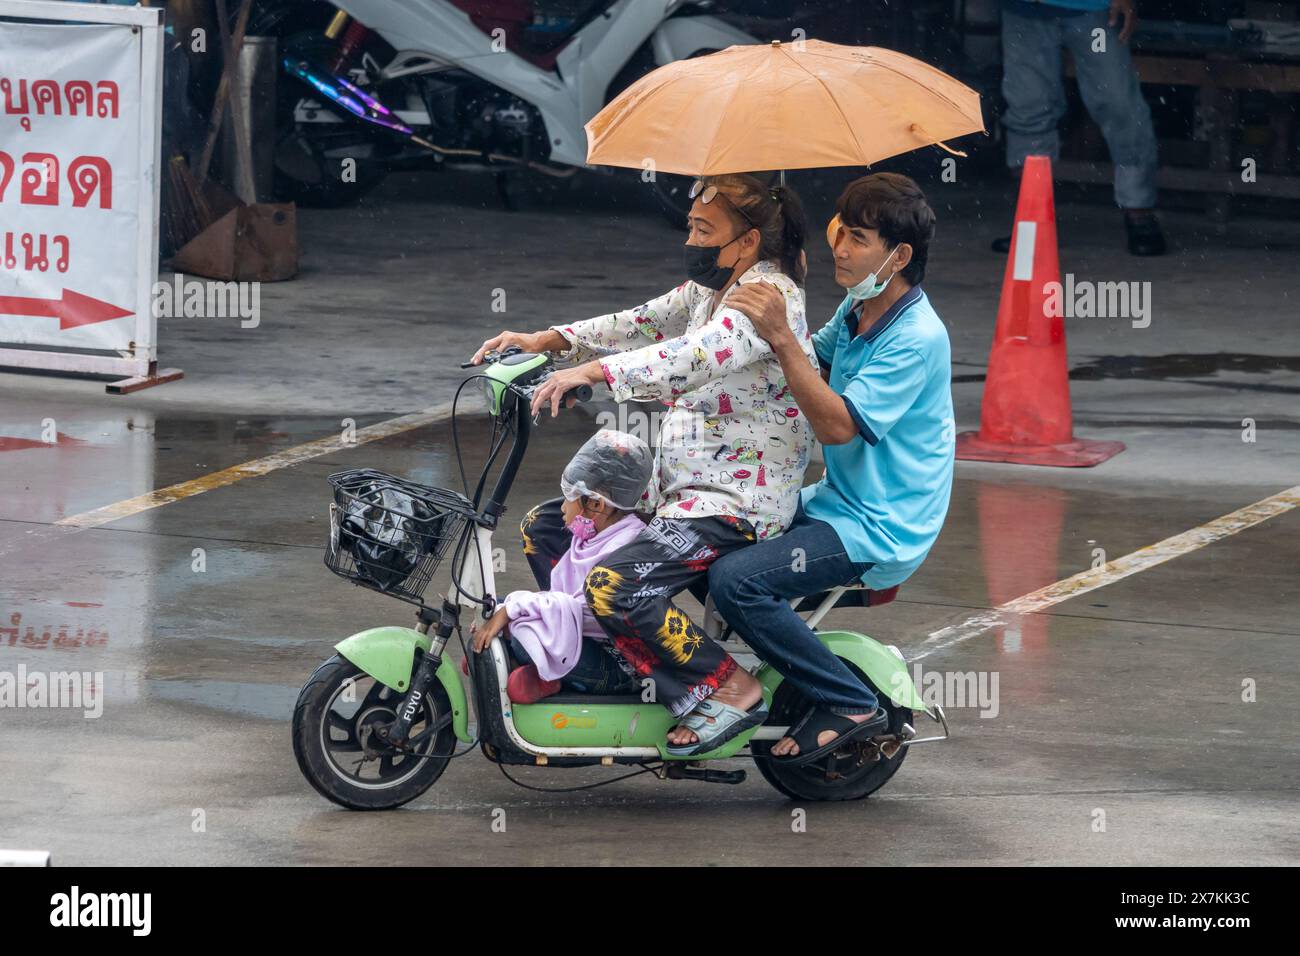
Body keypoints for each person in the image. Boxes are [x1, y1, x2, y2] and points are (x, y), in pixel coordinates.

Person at [471, 173, 817, 755]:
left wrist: (594, 373)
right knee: (548, 528)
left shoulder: (766, 298)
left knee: (613, 583)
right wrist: (548, 341)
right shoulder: (711, 291)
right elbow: (642, 321)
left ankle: (729, 687)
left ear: (748, 242)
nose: (693, 240)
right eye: (691, 227)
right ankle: (602, 654)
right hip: (678, 492)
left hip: (732, 506)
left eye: (705, 230)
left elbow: (690, 357)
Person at [712, 172, 954, 766]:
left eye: (859, 238)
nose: (840, 248)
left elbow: (837, 424)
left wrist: (779, 336)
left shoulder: (918, 337)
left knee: (738, 581)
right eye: (839, 230)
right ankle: (723, 685)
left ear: (897, 256)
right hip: (837, 503)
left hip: (882, 525)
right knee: (705, 532)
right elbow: (806, 355)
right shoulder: (857, 307)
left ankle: (848, 701)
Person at [471, 430, 652, 703]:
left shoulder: (625, 548)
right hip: (582, 640)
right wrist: (508, 609)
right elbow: (559, 604)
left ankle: (541, 675)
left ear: (595, 504)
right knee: (491, 608)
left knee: (523, 633)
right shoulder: (591, 535)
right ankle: (532, 671)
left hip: (618, 666)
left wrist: (514, 609)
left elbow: (585, 612)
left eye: (568, 496)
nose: (562, 508)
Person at [992, 0, 1165, 256]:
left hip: (1094, 7)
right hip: (1024, 8)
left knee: (1119, 105)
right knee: (1028, 107)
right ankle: (1031, 223)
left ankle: (1139, 210)